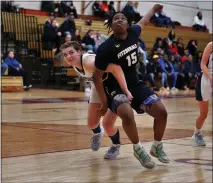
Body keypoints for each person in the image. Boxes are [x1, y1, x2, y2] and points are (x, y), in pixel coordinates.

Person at [93, 4, 170, 169]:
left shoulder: (134, 32)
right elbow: (97, 76)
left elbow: (144, 21)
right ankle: (138, 149)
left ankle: (157, 146)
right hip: (114, 88)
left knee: (161, 111)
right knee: (126, 113)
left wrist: (154, 10)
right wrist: (104, 101)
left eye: (122, 18)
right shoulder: (105, 48)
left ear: (128, 24)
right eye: (115, 19)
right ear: (111, 25)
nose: (119, 20)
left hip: (135, 83)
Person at [60, 41, 133, 159]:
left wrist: (125, 90)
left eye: (71, 52)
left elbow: (116, 67)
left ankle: (115, 145)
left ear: (79, 51)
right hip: (99, 86)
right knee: (91, 123)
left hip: (115, 86)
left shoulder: (89, 62)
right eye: (65, 54)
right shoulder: (75, 63)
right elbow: (93, 78)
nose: (68, 56)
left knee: (107, 124)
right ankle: (98, 133)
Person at [194, 41, 212, 146]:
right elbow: (203, 64)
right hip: (205, 79)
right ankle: (197, 133)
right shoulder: (210, 45)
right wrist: (210, 77)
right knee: (204, 114)